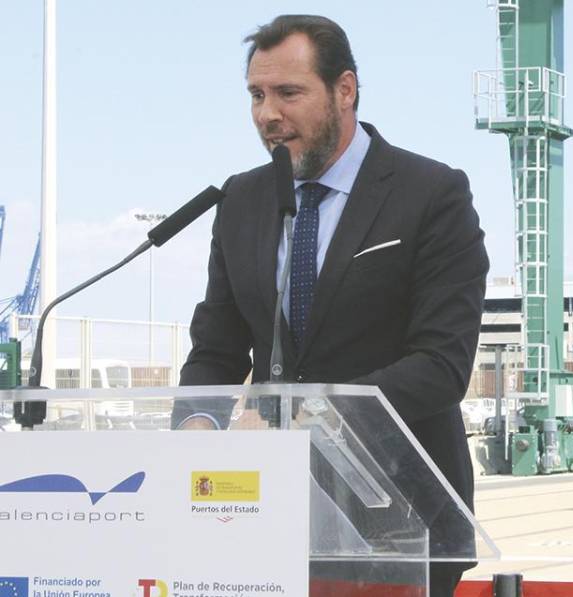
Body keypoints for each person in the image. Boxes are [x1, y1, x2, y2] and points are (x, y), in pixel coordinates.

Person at [175, 15, 487, 596]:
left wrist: (312, 417)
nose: (268, 114)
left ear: (345, 90)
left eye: (289, 93)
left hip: (402, 521)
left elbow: (441, 365)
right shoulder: (242, 198)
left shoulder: (431, 193)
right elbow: (216, 348)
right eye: (256, 95)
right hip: (266, 518)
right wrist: (198, 423)